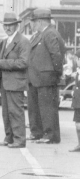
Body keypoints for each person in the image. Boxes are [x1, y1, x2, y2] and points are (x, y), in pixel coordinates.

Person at [26, 8, 65, 144]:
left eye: (33, 22)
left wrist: (56, 74)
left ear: (40, 21)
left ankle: (50, 135)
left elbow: (56, 56)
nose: (32, 25)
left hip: (46, 78)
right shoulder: (41, 34)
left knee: (47, 108)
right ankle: (37, 133)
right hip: (37, 78)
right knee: (35, 107)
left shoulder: (49, 34)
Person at [0, 13, 29, 149]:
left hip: (16, 82)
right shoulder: (6, 41)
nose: (7, 28)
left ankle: (19, 140)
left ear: (16, 25)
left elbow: (23, 63)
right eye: (5, 25)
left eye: (10, 25)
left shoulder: (23, 41)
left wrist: (1, 62)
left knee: (15, 111)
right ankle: (9, 137)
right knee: (6, 112)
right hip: (6, 82)